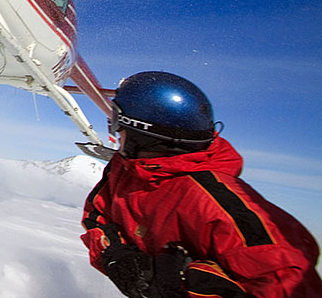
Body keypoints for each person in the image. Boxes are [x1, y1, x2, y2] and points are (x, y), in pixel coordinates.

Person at [81, 71, 322, 298]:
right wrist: (115, 256)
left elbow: (288, 280)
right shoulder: (127, 169)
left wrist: (185, 286)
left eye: (116, 120)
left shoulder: (217, 203)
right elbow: (97, 216)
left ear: (142, 132)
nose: (114, 130)